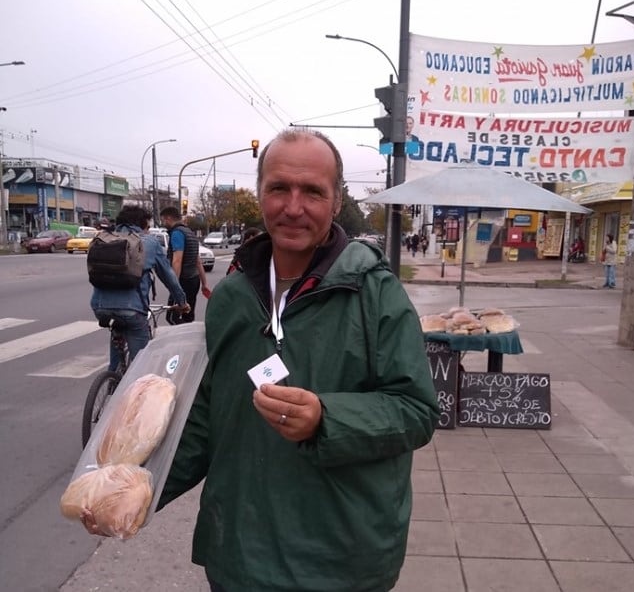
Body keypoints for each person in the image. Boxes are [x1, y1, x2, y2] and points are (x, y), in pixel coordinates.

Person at [156, 130, 440, 591]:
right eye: (278, 188)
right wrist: (139, 490)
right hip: (239, 554)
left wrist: (326, 419)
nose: (293, 207)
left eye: (312, 191)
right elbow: (207, 419)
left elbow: (417, 411)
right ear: (260, 192)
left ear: (335, 200)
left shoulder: (374, 291)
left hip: (338, 558)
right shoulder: (231, 296)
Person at [90, 205, 190, 371]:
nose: (149, 230)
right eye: (148, 226)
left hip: (100, 307)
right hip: (132, 309)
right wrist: (182, 302)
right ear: (143, 224)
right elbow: (169, 277)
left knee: (117, 338)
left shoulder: (103, 238)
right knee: (141, 367)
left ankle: (112, 382)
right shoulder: (149, 242)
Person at [159, 206, 211, 323]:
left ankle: (182, 339)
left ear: (168, 218)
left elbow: (177, 260)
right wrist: (204, 283)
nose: (163, 223)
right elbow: (197, 260)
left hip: (183, 281)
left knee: (172, 318)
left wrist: (174, 285)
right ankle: (190, 338)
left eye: (163, 220)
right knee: (188, 316)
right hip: (194, 280)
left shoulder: (177, 233)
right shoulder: (189, 232)